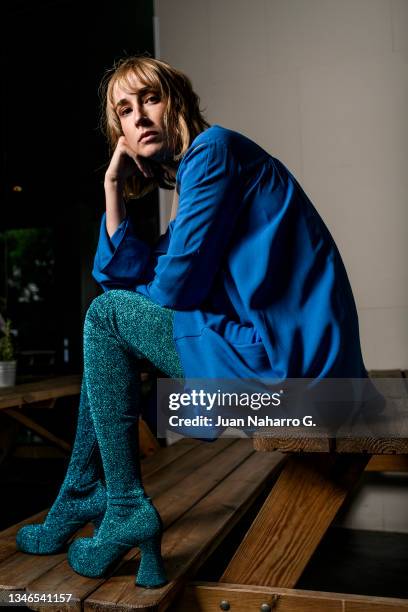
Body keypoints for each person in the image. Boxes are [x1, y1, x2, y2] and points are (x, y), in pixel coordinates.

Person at [15, 55, 370, 586]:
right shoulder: (202, 170)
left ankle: (114, 502)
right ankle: (89, 496)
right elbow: (140, 275)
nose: (139, 117)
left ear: (176, 101)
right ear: (120, 136)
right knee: (109, 320)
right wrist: (113, 188)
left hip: (294, 382)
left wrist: (147, 288)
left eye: (150, 98)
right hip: (294, 368)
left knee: (105, 316)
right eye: (124, 111)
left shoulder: (213, 152)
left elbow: (174, 287)